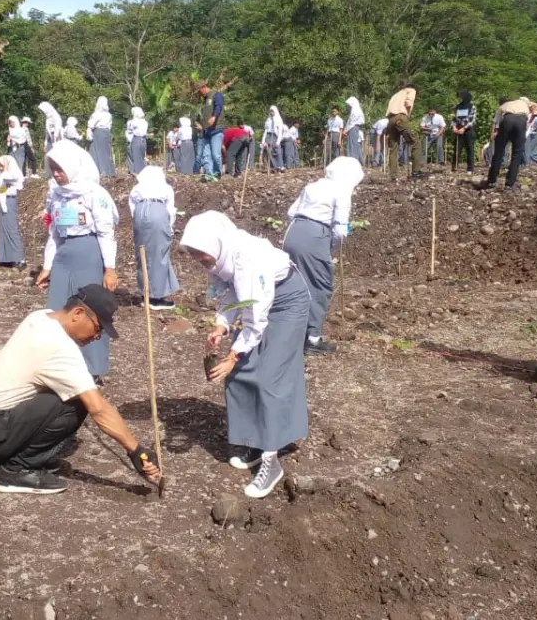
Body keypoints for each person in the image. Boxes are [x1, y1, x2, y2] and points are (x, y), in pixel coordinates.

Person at [0, 285, 161, 494]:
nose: (97, 336)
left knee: (69, 393)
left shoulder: (40, 317)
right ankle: (16, 469)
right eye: (98, 328)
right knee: (78, 402)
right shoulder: (59, 347)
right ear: (78, 313)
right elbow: (98, 408)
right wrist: (136, 451)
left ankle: (20, 456)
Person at [180, 211, 311, 499]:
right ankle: (254, 441)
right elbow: (231, 291)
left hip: (287, 303)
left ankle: (271, 460)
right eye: (194, 256)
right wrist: (222, 325)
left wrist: (232, 356)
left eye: (201, 255)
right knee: (239, 375)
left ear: (214, 244)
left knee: (269, 379)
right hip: (260, 302)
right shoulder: (221, 254)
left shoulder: (248, 262)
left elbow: (255, 318)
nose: (200, 261)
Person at [36, 140, 119, 381]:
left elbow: (106, 232)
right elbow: (54, 233)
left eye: (60, 169)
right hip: (64, 255)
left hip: (89, 253)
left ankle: (92, 370)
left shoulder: (93, 194)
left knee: (89, 311)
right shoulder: (56, 195)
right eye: (52, 169)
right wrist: (47, 266)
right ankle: (61, 367)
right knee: (59, 310)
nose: (56, 174)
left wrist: (109, 268)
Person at [282, 156, 364, 356]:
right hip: (315, 235)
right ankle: (312, 338)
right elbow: (341, 230)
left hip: (292, 233)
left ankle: (290, 332)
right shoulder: (341, 191)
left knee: (295, 283)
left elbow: (291, 212)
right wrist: (329, 250)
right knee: (320, 286)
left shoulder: (312, 186)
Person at [130, 166, 179, 310]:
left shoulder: (137, 189)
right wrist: (169, 228)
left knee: (142, 253)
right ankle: (155, 298)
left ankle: (145, 293)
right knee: (159, 253)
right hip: (158, 212)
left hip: (140, 213)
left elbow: (132, 206)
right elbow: (170, 209)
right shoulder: (165, 189)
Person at [481, 97, 537, 192]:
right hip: (521, 121)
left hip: (507, 120)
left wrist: (496, 131)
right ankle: (509, 185)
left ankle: (492, 181)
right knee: (516, 154)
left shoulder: (507, 104)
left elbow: (497, 120)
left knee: (498, 151)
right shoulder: (527, 106)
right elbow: (530, 119)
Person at [0, 155, 27, 268]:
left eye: (2, 166)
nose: (1, 168)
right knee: (2, 229)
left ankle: (20, 258)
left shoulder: (14, 175)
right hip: (1, 203)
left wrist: (5, 167)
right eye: (0, 166)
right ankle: (5, 258)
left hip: (9, 202)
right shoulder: (0, 175)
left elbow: (8, 176)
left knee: (11, 229)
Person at [385, 85, 423, 179]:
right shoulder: (411, 90)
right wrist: (407, 117)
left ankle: (393, 175)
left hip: (390, 120)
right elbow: (408, 103)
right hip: (400, 118)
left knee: (393, 148)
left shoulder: (395, 95)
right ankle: (416, 172)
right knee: (416, 143)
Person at [196, 81, 226, 181]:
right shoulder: (204, 101)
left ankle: (217, 174)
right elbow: (203, 116)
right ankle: (209, 174)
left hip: (216, 129)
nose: (199, 93)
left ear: (204, 87)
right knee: (206, 155)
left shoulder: (216, 95)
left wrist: (214, 116)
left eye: (199, 91)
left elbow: (219, 106)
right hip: (206, 131)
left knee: (216, 155)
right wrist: (200, 125)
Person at [86, 96, 114, 176]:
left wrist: (89, 133)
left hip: (98, 132)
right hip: (107, 133)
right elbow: (110, 126)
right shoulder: (109, 115)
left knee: (97, 152)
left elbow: (91, 125)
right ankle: (108, 171)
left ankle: (102, 171)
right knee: (106, 152)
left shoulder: (96, 114)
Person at [452, 92, 477, 174]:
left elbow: (472, 120)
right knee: (457, 149)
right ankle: (454, 167)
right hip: (458, 129)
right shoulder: (457, 107)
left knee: (469, 149)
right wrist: (454, 126)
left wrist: (464, 128)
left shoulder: (472, 107)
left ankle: (470, 169)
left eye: (460, 97)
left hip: (468, 130)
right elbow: (454, 118)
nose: (459, 99)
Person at [39, 102, 63, 177]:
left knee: (56, 156)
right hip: (50, 138)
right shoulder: (47, 119)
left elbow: (58, 127)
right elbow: (47, 132)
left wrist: (55, 138)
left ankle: (57, 173)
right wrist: (45, 144)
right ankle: (48, 174)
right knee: (48, 155)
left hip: (57, 138)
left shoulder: (56, 116)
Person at [262, 106, 287, 173]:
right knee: (269, 152)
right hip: (269, 136)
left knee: (277, 152)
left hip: (275, 136)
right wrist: (263, 140)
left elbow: (280, 131)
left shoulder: (278, 119)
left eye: (272, 111)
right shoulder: (268, 120)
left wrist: (278, 141)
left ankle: (280, 167)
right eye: (270, 111)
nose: (271, 113)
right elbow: (265, 131)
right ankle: (274, 167)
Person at [125, 106, 149, 175]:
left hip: (136, 140)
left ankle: (137, 173)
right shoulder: (145, 122)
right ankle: (142, 172)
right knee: (141, 157)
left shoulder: (133, 122)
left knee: (136, 158)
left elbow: (129, 131)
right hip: (143, 140)